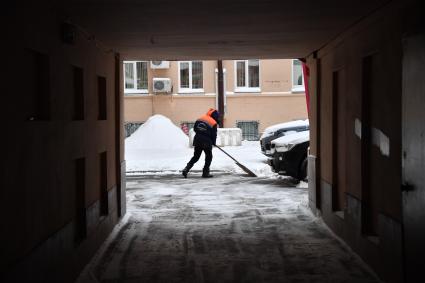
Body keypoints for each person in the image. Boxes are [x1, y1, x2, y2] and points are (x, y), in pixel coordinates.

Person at [182, 108, 220, 178]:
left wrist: (201, 133)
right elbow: (214, 134)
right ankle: (205, 173)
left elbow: (195, 129)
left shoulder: (200, 118)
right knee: (209, 157)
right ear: (215, 116)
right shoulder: (213, 122)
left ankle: (186, 169)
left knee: (196, 157)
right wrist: (213, 142)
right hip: (207, 142)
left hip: (197, 140)